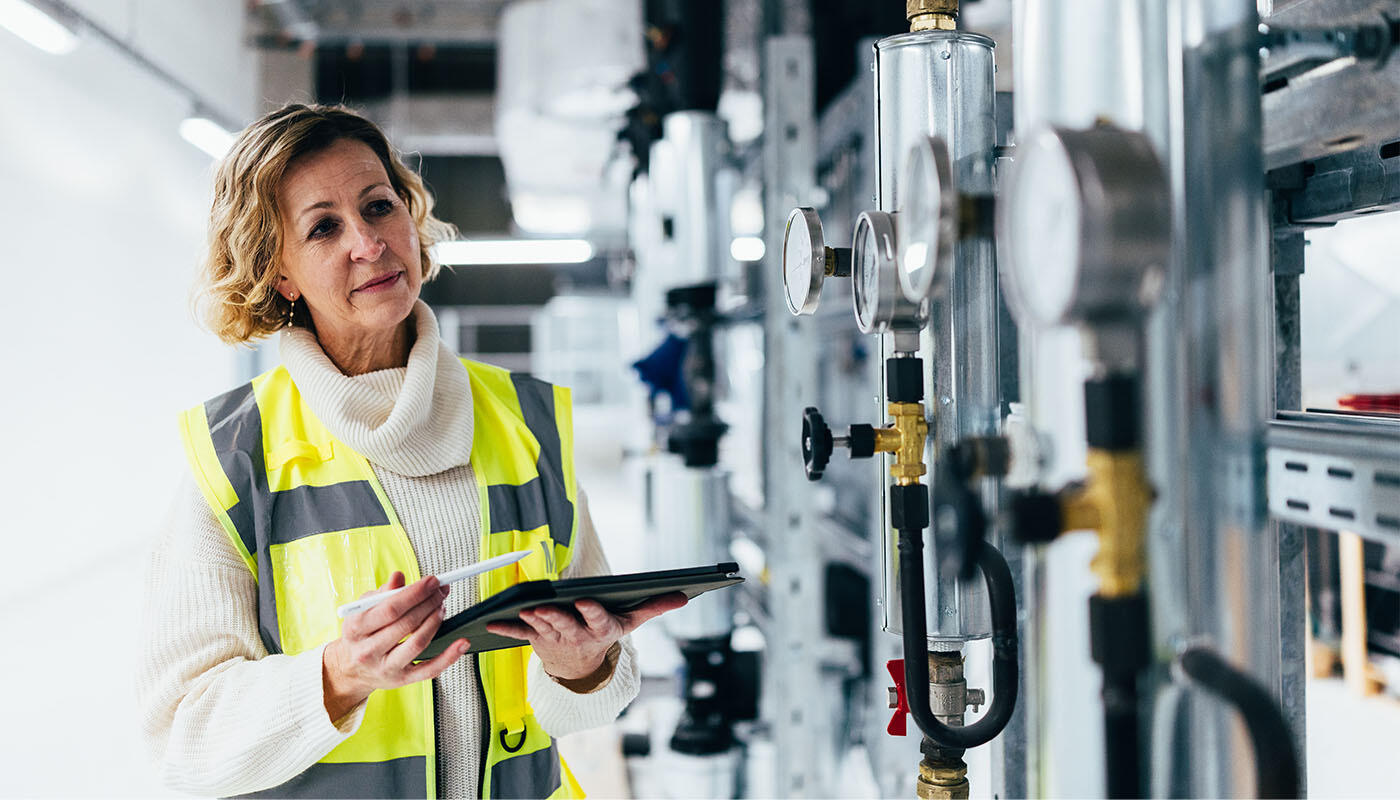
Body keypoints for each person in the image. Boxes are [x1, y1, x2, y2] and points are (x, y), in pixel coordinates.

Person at [137, 103, 685, 799]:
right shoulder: (235, 456)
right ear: (281, 274)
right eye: (324, 227)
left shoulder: (524, 422)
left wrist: (583, 667)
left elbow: (595, 698)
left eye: (378, 206)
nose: (368, 243)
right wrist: (338, 675)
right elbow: (184, 741)